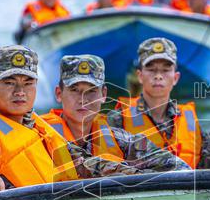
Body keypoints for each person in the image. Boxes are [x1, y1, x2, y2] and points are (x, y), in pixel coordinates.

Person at [0, 47, 139, 200]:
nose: (20, 91)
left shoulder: (41, 130)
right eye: (10, 82)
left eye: (28, 83)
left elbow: (83, 164)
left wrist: (140, 173)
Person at [108, 38, 210, 169]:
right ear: (140, 76)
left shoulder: (189, 121)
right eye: (151, 70)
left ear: (175, 78)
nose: (158, 76)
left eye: (166, 70)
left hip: (185, 194)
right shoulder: (118, 118)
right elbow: (106, 165)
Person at [41, 54, 190, 172]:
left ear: (103, 94)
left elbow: (173, 164)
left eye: (92, 91)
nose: (83, 99)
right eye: (74, 90)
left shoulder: (119, 139)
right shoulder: (41, 136)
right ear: (59, 93)